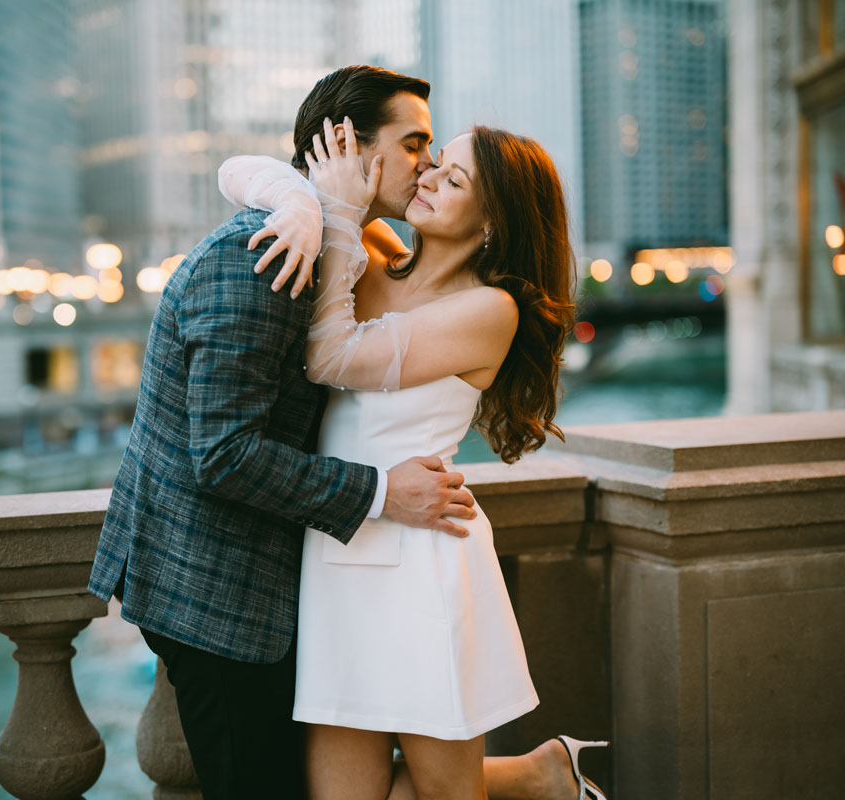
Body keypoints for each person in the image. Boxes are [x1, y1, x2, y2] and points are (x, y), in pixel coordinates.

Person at [86, 65, 480, 800]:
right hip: (214, 595)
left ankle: (530, 777)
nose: (427, 163)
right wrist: (382, 491)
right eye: (415, 142)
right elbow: (225, 457)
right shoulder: (264, 258)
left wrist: (303, 197)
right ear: (343, 143)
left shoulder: (345, 246)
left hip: (273, 582)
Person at [216, 101, 609, 798]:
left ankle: (538, 777)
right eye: (434, 164)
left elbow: (330, 355)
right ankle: (535, 777)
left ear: (492, 224)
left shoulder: (492, 309)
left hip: (424, 559)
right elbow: (238, 171)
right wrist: (307, 206)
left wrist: (335, 220)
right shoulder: (375, 258)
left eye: (452, 180)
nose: (425, 178)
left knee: (448, 793)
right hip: (337, 554)